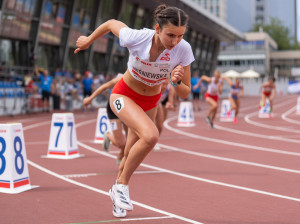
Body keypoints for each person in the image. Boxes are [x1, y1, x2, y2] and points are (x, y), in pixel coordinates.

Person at [75, 4, 194, 218]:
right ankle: (121, 186)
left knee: (129, 152)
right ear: (157, 29)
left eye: (180, 35)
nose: (175, 41)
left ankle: (117, 200)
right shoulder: (137, 37)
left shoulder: (183, 49)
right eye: (170, 35)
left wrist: (176, 82)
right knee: (151, 136)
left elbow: (185, 93)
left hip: (150, 102)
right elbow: (111, 23)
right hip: (124, 95)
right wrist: (88, 40)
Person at [83, 74, 127, 165]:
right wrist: (90, 99)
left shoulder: (141, 82)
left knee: (131, 140)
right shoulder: (122, 79)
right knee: (122, 144)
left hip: (127, 110)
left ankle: (121, 156)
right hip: (114, 110)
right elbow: (104, 86)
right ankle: (108, 135)